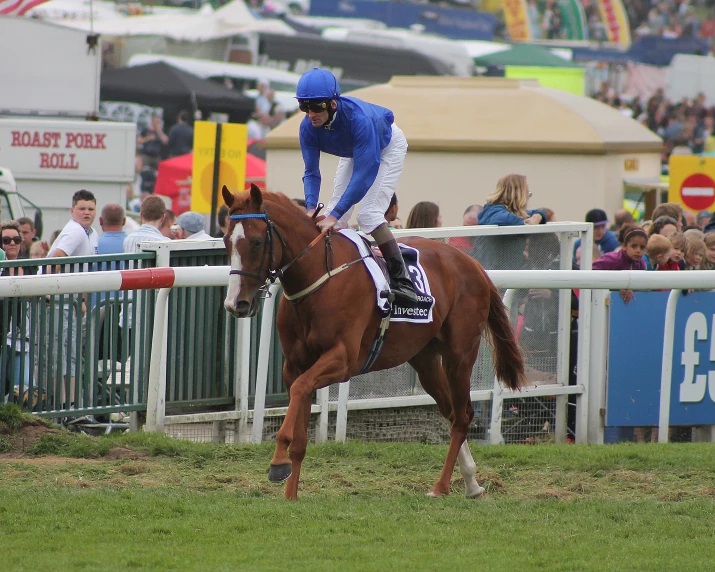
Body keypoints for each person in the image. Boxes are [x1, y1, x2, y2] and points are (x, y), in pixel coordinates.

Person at [296, 67, 417, 303]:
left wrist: (336, 214)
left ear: (333, 104)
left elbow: (363, 174)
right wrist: (311, 207)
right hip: (354, 150)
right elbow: (311, 172)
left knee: (369, 215)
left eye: (317, 106)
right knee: (332, 217)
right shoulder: (307, 128)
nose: (311, 114)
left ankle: (403, 282)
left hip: (386, 147)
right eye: (304, 106)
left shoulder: (360, 120)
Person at [46, 190, 100, 417]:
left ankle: (70, 406)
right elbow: (55, 259)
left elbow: (84, 269)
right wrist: (48, 292)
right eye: (82, 208)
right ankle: (62, 406)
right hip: (57, 300)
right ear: (72, 211)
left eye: (90, 209)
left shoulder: (92, 233)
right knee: (60, 353)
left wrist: (84, 300)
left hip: (73, 300)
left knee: (71, 353)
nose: (86, 212)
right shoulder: (75, 231)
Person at [472, 174, 546, 271]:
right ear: (518, 194)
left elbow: (538, 213)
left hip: (505, 271)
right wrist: (523, 222)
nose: (528, 198)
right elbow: (501, 218)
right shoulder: (492, 210)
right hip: (488, 274)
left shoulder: (512, 212)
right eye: (528, 194)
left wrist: (536, 217)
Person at [592, 225, 647, 304]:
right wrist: (617, 287)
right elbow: (592, 272)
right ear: (624, 246)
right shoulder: (612, 260)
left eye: (642, 247)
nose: (638, 250)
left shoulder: (642, 264)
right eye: (634, 246)